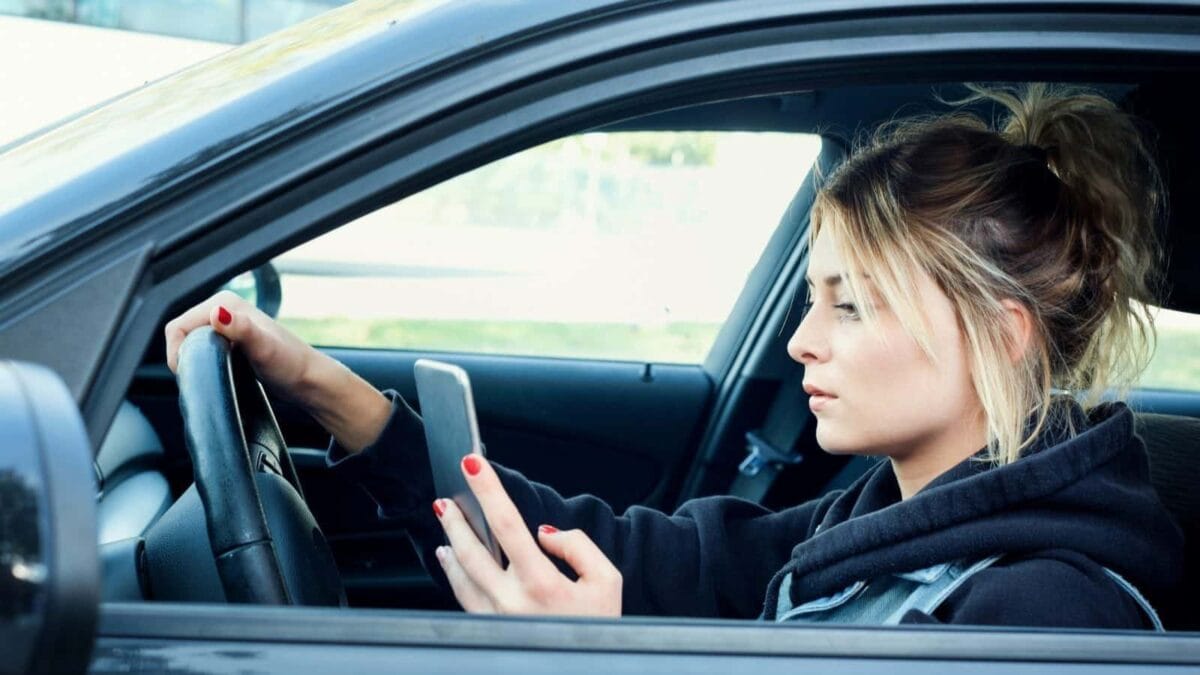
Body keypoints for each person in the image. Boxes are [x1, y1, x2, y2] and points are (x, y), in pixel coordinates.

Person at [165, 83, 1183, 628]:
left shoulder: (1046, 608)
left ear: (999, 333)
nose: (803, 339)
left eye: (854, 305)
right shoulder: (872, 521)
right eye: (813, 298)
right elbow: (634, 551)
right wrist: (325, 390)